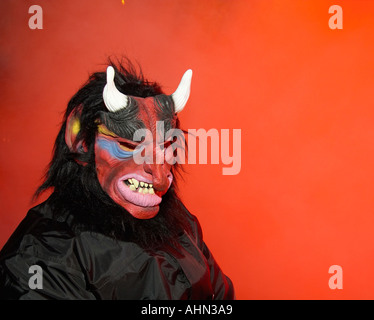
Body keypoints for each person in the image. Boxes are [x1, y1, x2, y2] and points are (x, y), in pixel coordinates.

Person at [0, 59, 235, 300]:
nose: (158, 172)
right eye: (127, 145)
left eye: (164, 145)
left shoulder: (178, 221)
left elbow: (221, 295)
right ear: (81, 142)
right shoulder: (43, 253)